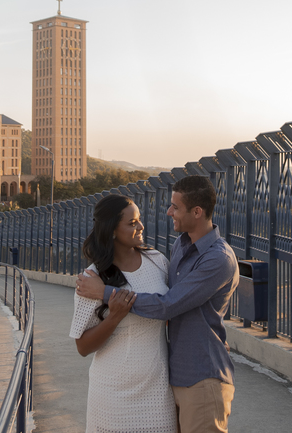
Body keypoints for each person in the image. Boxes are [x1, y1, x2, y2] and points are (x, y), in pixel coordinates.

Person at [76, 175, 239, 433]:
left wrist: (107, 293)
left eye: (176, 207)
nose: (168, 212)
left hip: (201, 376)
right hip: (171, 379)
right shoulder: (180, 247)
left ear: (197, 212)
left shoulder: (218, 259)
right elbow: (82, 343)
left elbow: (167, 305)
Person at [69, 194, 178, 433]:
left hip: (158, 390)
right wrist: (115, 317)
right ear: (111, 230)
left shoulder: (158, 261)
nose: (140, 226)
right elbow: (83, 347)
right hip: (111, 394)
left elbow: (173, 306)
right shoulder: (92, 278)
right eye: (131, 223)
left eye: (139, 220)